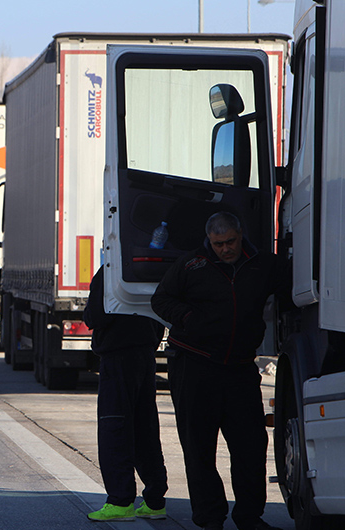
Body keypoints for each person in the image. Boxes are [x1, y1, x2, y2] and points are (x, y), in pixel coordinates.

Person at [151, 212, 290, 530]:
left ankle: (249, 516)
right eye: (218, 244)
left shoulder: (263, 264)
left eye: (230, 242)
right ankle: (209, 517)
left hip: (240, 369)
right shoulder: (191, 265)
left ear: (240, 235)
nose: (225, 249)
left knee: (251, 447)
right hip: (195, 365)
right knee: (199, 447)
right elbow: (161, 300)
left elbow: (290, 291)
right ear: (209, 241)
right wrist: (186, 318)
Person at [84, 265, 168, 523]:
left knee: (115, 427)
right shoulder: (149, 270)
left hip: (117, 356)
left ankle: (120, 501)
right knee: (145, 428)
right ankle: (155, 501)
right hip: (145, 355)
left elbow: (94, 317)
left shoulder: (110, 271)